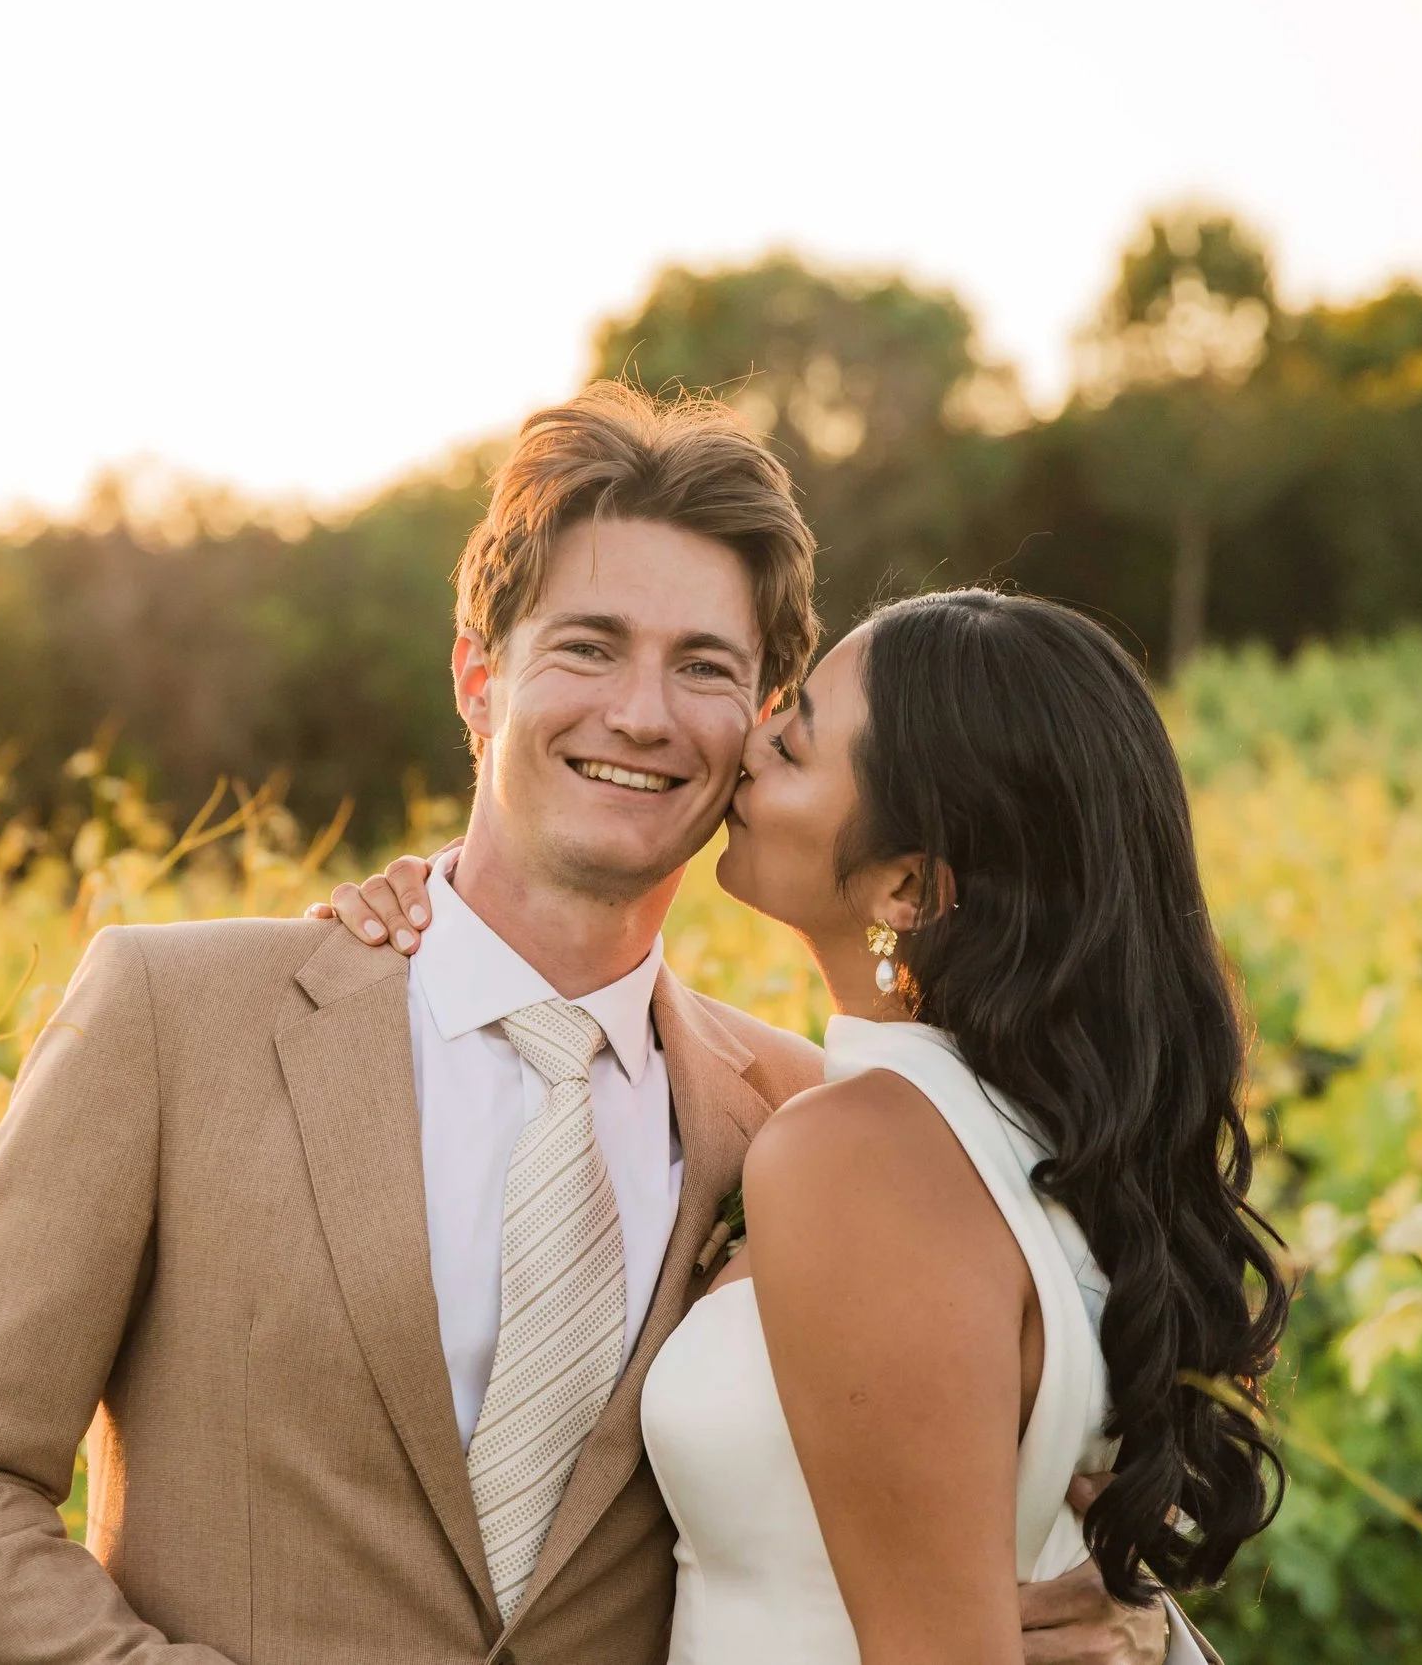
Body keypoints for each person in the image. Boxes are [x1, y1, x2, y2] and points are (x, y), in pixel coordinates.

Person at [0, 382, 1192, 1664]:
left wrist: (1140, 1634)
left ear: (756, 723)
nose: (641, 712)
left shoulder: (805, 1120)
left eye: (704, 666)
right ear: (479, 678)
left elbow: (1017, 1505)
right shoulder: (174, 1017)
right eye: (589, 646)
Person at [324, 586, 1288, 1662]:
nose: (740, 750)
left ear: (907, 888)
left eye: (793, 742)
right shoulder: (1031, 1139)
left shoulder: (858, 1153)